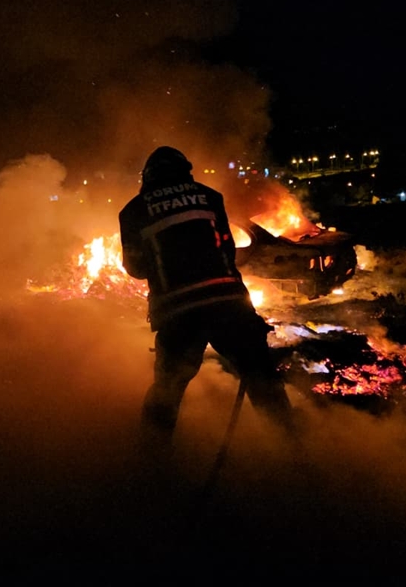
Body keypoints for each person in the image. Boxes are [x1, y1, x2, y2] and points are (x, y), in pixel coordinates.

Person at [119, 146, 292, 440]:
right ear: (186, 171)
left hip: (178, 313)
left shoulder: (134, 211)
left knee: (167, 390)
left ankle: (152, 461)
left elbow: (135, 267)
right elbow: (226, 248)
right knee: (262, 380)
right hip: (229, 305)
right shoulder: (210, 197)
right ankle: (295, 451)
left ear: (147, 176)